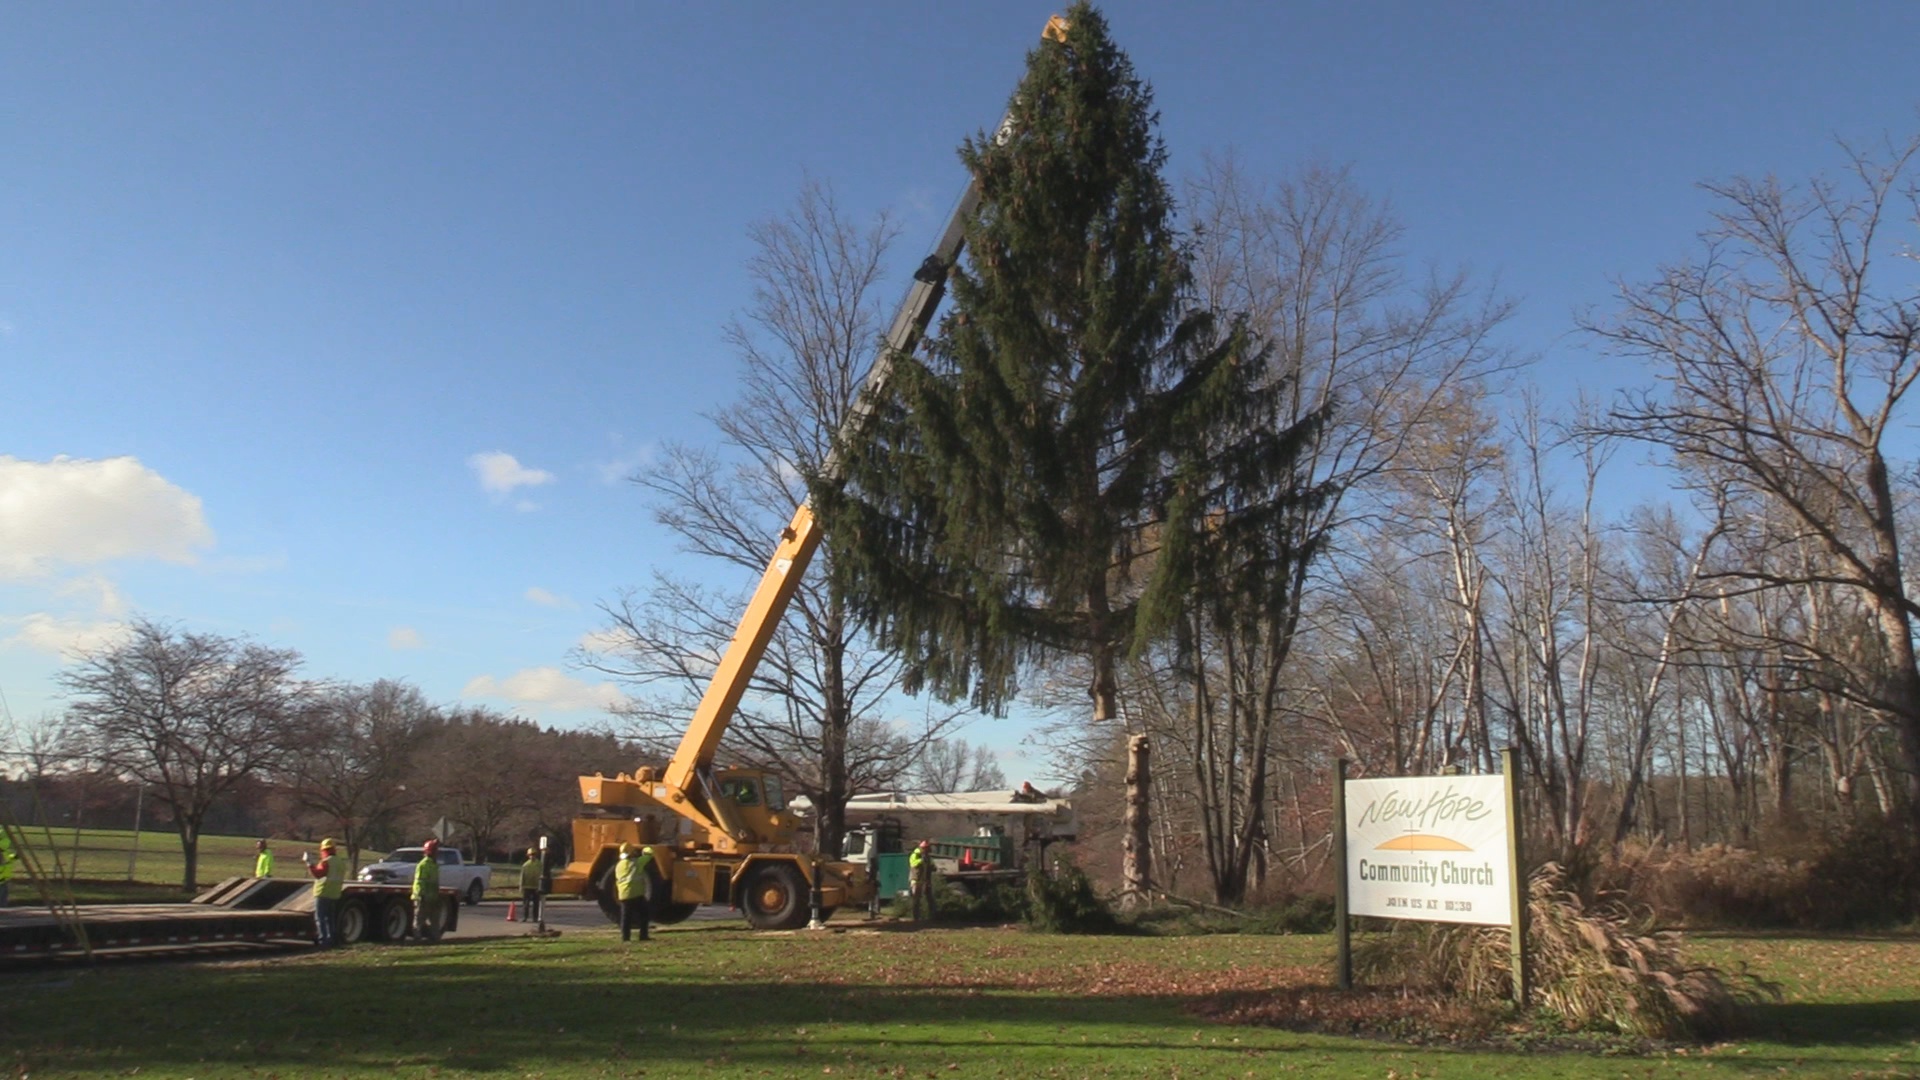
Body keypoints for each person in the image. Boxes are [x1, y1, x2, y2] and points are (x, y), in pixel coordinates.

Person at [302, 838, 347, 947]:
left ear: (324, 850)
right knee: (330, 919)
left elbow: (318, 874)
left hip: (323, 892)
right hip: (334, 894)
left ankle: (324, 941)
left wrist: (309, 864)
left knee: (320, 918)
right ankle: (332, 940)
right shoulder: (340, 862)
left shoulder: (326, 862)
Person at [614, 842, 654, 942]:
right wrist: (645, 849)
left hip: (623, 895)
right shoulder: (637, 863)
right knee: (644, 914)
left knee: (626, 917)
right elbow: (649, 855)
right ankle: (643, 936)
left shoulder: (619, 865)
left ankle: (625, 938)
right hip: (636, 894)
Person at [412, 839, 443, 942]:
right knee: (419, 918)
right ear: (431, 852)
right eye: (435, 850)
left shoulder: (434, 865)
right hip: (423, 896)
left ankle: (435, 938)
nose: (437, 853)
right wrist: (421, 894)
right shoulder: (424, 864)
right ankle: (417, 938)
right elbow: (420, 881)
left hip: (432, 896)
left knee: (435, 918)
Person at [909, 839, 934, 922]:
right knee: (916, 899)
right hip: (915, 880)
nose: (927, 850)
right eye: (926, 848)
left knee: (928, 898)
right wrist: (921, 860)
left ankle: (930, 916)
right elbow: (913, 864)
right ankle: (916, 917)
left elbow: (930, 866)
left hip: (924, 881)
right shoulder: (915, 855)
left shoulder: (927, 857)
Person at [519, 847, 543, 924]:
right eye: (531, 854)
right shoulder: (525, 865)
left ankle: (535, 918)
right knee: (526, 903)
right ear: (528, 855)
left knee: (536, 903)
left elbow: (541, 875)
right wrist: (521, 886)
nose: (532, 856)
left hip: (536, 887)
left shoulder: (540, 864)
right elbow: (522, 876)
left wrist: (540, 886)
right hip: (527, 886)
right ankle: (525, 917)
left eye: (534, 854)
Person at [0, 826, 16, 908]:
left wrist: (15, 857)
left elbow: (8, 860)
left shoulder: (5, 852)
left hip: (4, 879)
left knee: (3, 899)